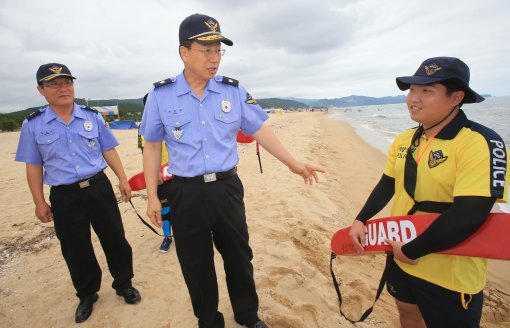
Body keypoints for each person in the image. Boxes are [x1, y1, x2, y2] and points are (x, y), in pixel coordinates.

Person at [140, 13, 325, 328]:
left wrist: (294, 164)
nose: (214, 59)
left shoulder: (233, 91)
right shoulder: (160, 96)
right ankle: (209, 320)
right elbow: (153, 145)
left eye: (218, 51)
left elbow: (260, 131)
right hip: (185, 192)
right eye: (206, 50)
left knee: (239, 257)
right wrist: (153, 197)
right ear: (184, 52)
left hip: (227, 190)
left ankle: (247, 315)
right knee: (196, 264)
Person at [348, 57, 509, 327]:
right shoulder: (404, 139)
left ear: (456, 97)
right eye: (412, 90)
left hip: (450, 269)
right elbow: (387, 184)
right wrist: (360, 219)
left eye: (427, 91)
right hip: (401, 253)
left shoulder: (480, 142)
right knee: (408, 315)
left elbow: (470, 212)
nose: (414, 98)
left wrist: (412, 250)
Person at [15, 63, 141, 324]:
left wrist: (123, 180)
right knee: (75, 248)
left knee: (115, 238)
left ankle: (124, 284)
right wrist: (39, 202)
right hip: (64, 195)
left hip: (98, 187)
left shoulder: (92, 117)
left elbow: (109, 150)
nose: (63, 88)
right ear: (41, 90)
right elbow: (34, 165)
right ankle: (87, 294)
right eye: (54, 84)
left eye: (67, 82)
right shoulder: (33, 125)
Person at [138, 105, 173, 253]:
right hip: (160, 174)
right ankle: (167, 237)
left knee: (183, 204)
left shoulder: (172, 120)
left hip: (178, 171)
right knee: (164, 208)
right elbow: (145, 151)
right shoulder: (144, 127)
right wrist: (154, 172)